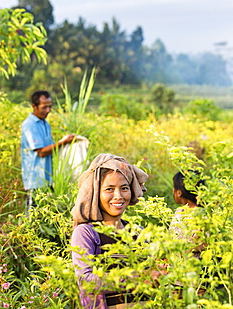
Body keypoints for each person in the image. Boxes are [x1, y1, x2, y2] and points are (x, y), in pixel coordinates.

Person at [71, 153, 161, 309]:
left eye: (124, 188)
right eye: (109, 189)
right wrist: (137, 278)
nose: (118, 196)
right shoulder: (86, 233)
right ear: (95, 193)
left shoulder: (138, 232)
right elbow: (86, 281)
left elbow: (151, 276)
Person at [21, 90, 75, 209]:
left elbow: (51, 149)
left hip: (46, 177)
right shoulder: (30, 125)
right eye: (44, 107)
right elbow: (41, 152)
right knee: (32, 213)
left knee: (45, 213)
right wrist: (63, 142)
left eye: (50, 106)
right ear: (34, 106)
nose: (48, 110)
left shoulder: (44, 123)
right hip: (34, 177)